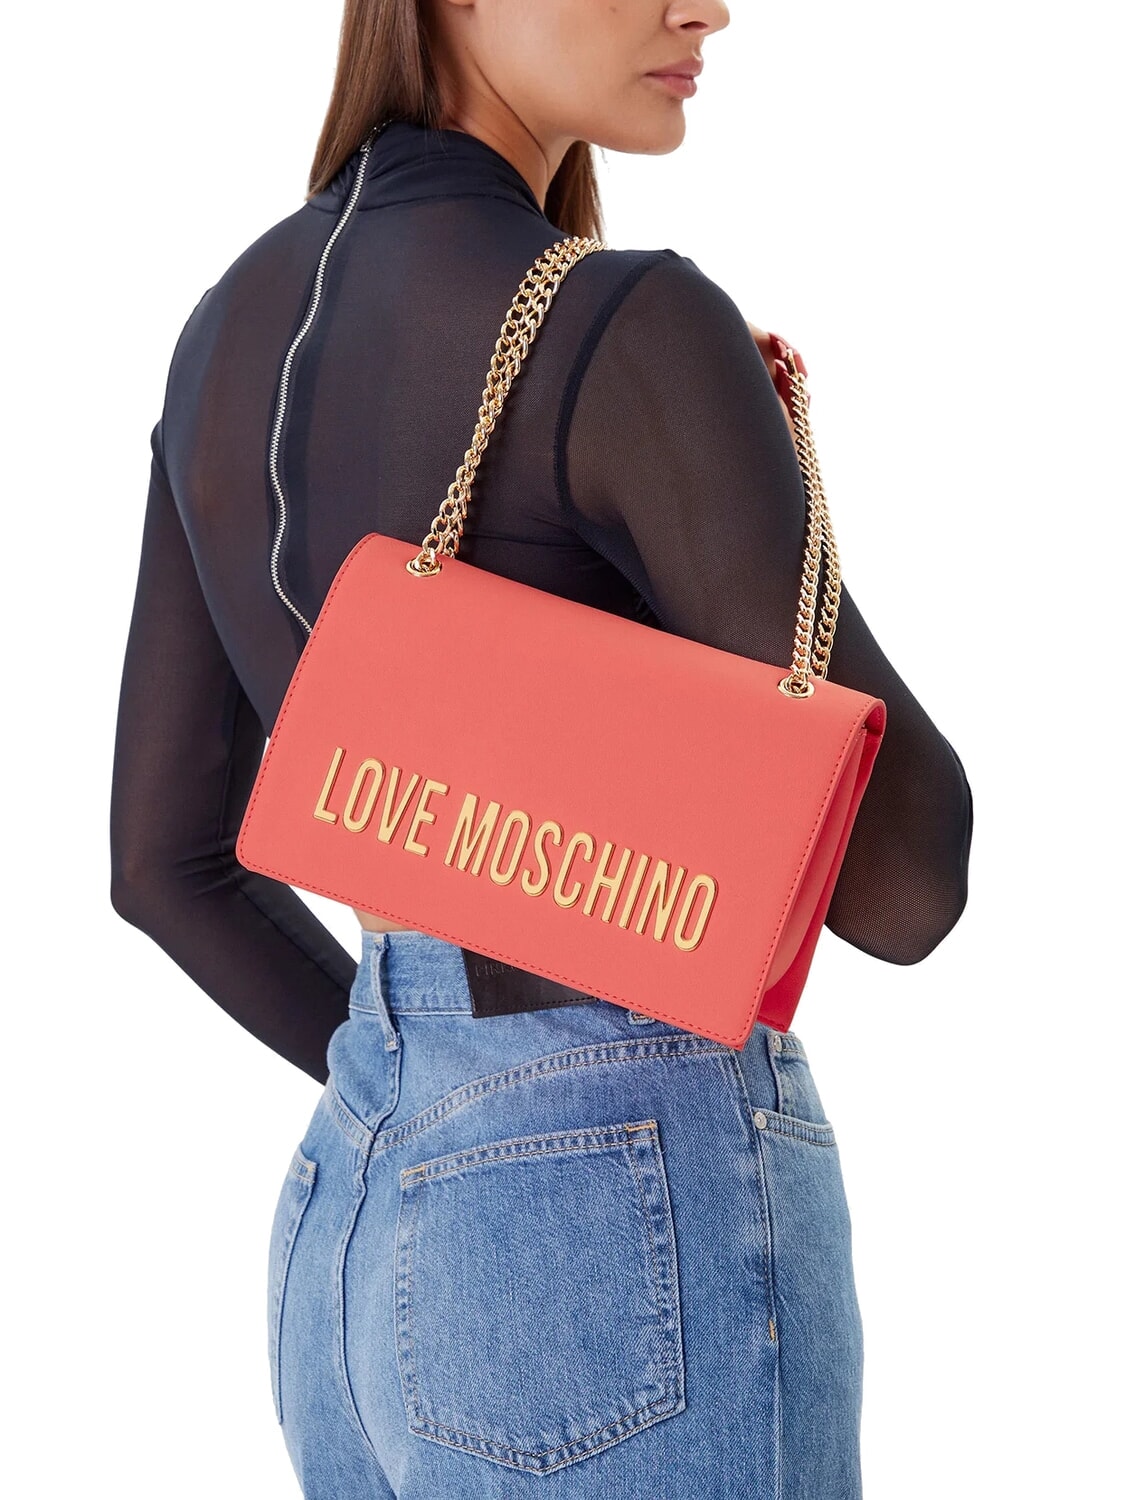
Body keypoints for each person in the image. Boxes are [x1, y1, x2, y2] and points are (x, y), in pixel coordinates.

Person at [109, 0, 973, 1495]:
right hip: (610, 1224)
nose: (706, 7)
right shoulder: (623, 325)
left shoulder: (221, 330)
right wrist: (767, 479)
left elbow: (164, 865)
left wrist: (437, 1086)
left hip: (352, 1212)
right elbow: (908, 886)